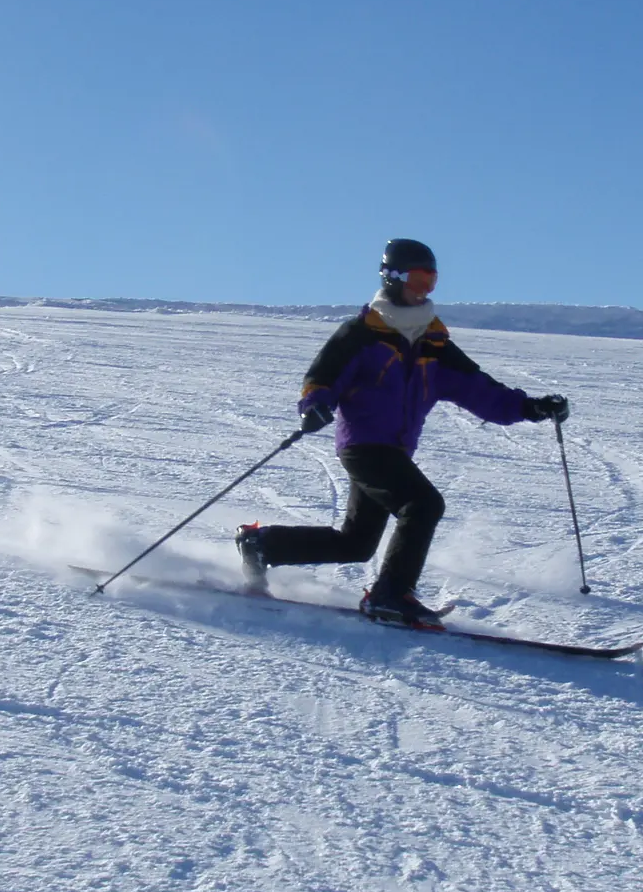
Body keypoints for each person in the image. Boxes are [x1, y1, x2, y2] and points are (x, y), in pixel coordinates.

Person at [236, 238, 569, 626]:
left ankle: (262, 544)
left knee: (357, 544)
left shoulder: (435, 345)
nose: (423, 289)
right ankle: (390, 595)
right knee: (423, 505)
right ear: (393, 278)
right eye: (417, 278)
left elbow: (480, 389)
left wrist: (531, 407)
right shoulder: (361, 334)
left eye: (431, 280)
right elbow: (321, 378)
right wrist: (316, 406)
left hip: (395, 451)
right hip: (363, 447)